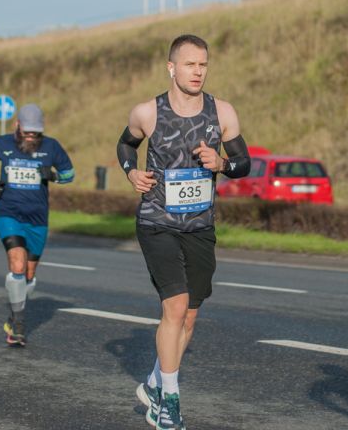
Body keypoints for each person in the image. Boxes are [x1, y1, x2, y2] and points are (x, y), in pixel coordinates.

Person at [118, 34, 250, 429]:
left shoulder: (222, 112)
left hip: (199, 225)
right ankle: (169, 402)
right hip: (157, 222)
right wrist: (132, 173)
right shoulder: (148, 112)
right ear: (171, 67)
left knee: (190, 316)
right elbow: (126, 146)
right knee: (174, 307)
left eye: (203, 64)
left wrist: (221, 164)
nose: (198, 71)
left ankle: (156, 382)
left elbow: (245, 162)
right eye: (190, 64)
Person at [0, 103, 74, 347]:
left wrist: (53, 175)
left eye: (36, 132)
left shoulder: (51, 147)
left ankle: (13, 316)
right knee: (18, 263)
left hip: (38, 218)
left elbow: (69, 174)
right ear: (17, 126)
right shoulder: (1, 143)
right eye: (28, 132)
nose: (32, 137)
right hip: (8, 212)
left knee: (30, 275)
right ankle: (19, 325)